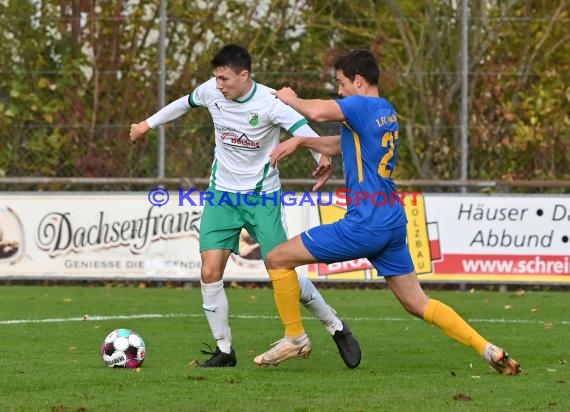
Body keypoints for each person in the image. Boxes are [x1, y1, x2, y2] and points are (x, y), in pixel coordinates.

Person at [259, 48, 521, 375]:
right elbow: (343, 145)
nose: (339, 91)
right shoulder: (385, 110)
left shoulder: (358, 105)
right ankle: (486, 348)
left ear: (358, 80)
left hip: (365, 223)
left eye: (341, 83)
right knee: (417, 303)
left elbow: (317, 112)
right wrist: (301, 143)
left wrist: (290, 99)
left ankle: (294, 337)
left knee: (277, 258)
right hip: (392, 221)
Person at [130, 44, 361, 368]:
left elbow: (302, 130)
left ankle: (335, 327)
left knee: (281, 267)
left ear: (244, 75)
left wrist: (321, 158)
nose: (219, 85)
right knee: (210, 270)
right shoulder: (211, 92)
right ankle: (224, 350)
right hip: (221, 195)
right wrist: (146, 124)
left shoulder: (269, 102)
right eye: (216, 78)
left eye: (225, 78)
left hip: (262, 197)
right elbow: (183, 103)